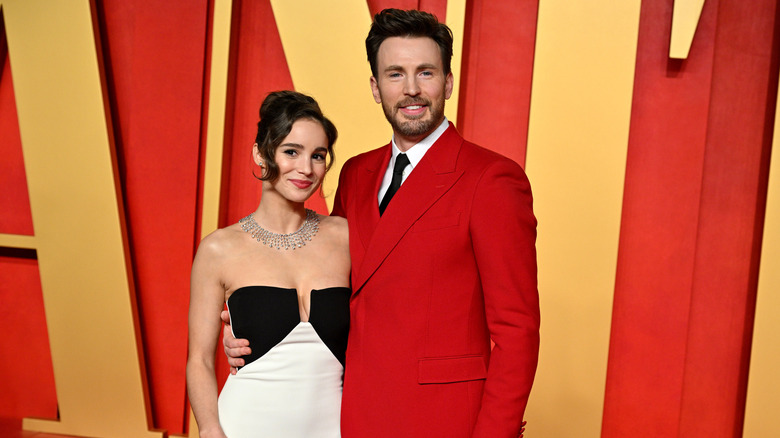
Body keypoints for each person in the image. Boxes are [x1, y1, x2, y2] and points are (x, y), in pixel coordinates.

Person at [225, 9, 539, 438]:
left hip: (444, 420)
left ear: (448, 81)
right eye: (395, 74)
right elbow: (326, 287)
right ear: (376, 87)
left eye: (425, 72)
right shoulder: (356, 173)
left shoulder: (492, 179)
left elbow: (517, 330)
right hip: (352, 412)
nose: (411, 90)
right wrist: (254, 330)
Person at [187, 90, 350, 438]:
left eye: (318, 156)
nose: (306, 169)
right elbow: (199, 360)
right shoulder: (219, 249)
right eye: (291, 152)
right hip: (244, 425)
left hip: (334, 428)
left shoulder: (346, 238)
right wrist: (210, 430)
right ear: (261, 154)